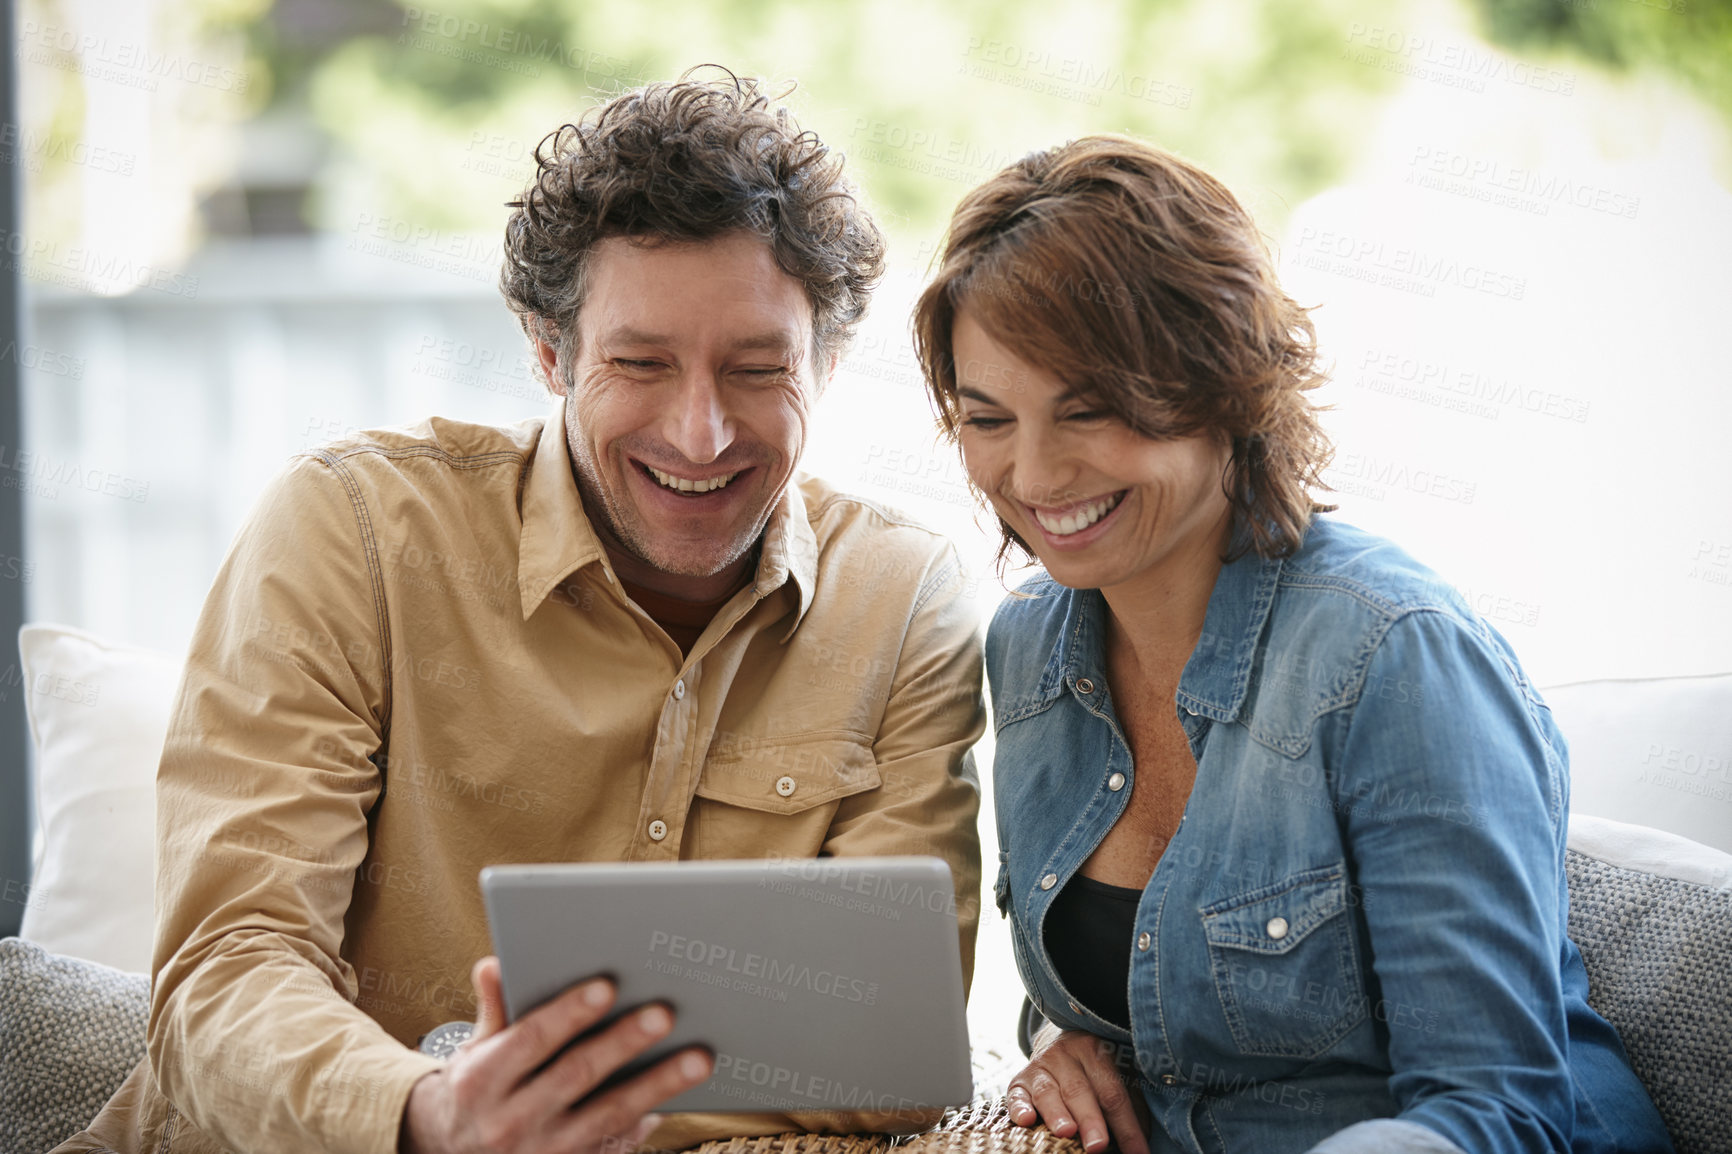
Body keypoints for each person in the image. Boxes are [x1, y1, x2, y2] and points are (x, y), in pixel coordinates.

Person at [54, 73, 985, 1154]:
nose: (700, 432)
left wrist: (540, 1104)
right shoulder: (352, 530)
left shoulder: (903, 599)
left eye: (757, 368)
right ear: (548, 352)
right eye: (638, 363)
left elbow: (880, 1051)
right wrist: (432, 1111)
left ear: (824, 362)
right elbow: (225, 973)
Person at [911, 136, 1673, 1154]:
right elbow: (1125, 991)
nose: (1034, 472)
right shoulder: (1028, 651)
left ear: (1221, 383)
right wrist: (1067, 1043)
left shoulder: (1394, 655)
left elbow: (1498, 1110)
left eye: (1086, 408)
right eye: (987, 417)